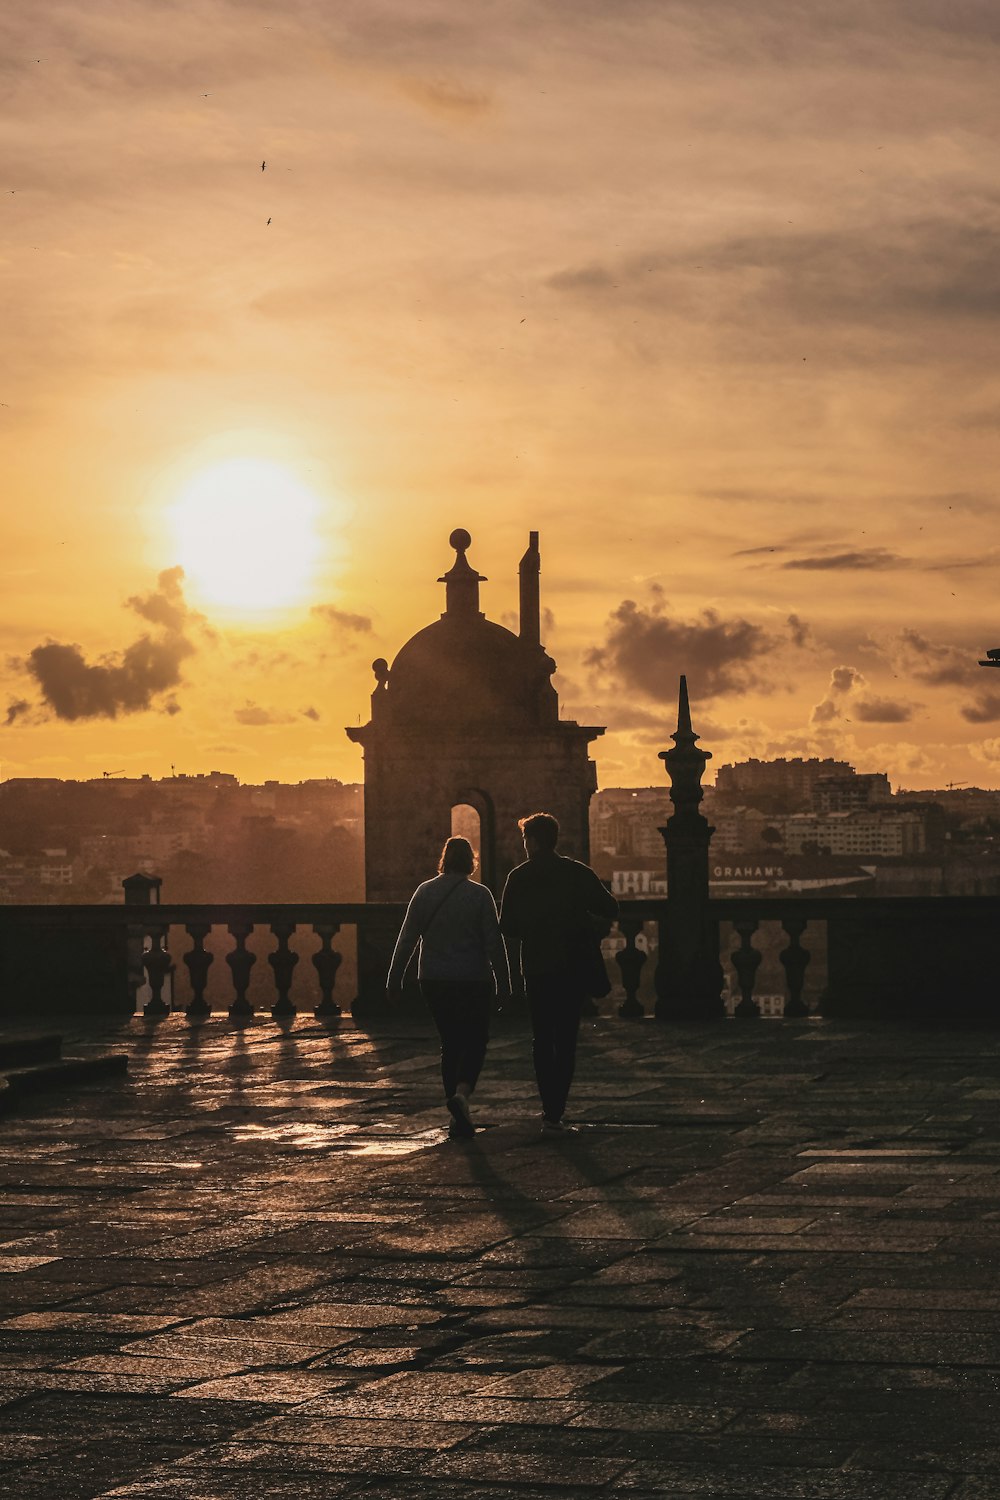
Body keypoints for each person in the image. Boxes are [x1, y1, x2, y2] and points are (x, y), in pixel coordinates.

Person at [500, 812, 619, 1133]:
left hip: (537, 967)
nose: (524, 844)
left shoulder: (520, 877)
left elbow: (507, 926)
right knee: (566, 1039)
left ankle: (548, 1107)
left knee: (542, 1038)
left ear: (534, 841)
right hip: (572, 966)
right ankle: (557, 1111)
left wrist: (534, 923)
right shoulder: (576, 873)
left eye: (526, 838)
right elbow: (611, 908)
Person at [387, 835, 510, 1139]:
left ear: (444, 858)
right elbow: (495, 944)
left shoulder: (424, 892)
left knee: (450, 1043)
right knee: (476, 1040)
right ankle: (462, 1097)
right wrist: (505, 982)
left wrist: (394, 977)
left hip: (433, 979)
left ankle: (455, 1114)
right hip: (472, 979)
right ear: (470, 861)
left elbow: (407, 939)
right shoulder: (480, 895)